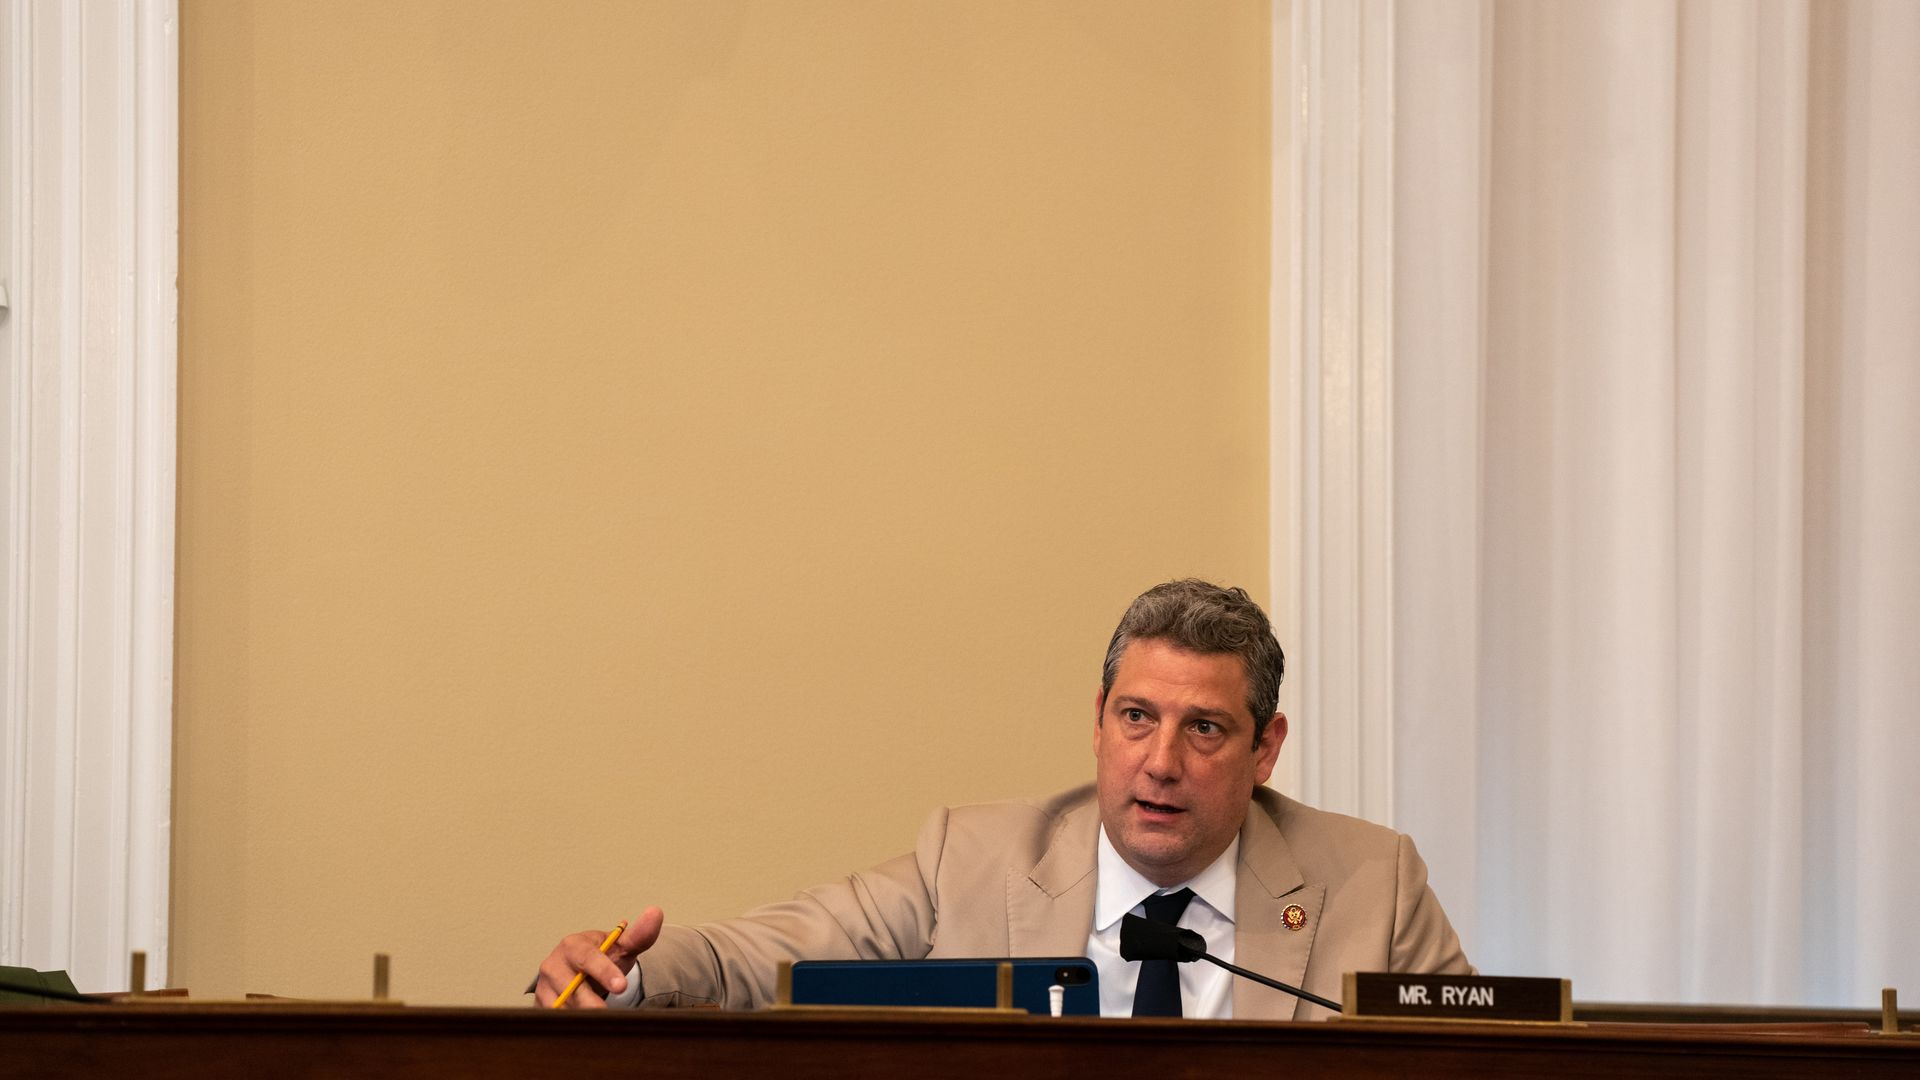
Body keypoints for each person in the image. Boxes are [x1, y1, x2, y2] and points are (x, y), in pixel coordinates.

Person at [533, 580, 1471, 1019]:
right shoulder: (977, 860)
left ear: (1266, 749)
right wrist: (632, 972)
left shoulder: (1370, 887)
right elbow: (773, 952)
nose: (1161, 762)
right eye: (1137, 717)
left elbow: (1495, 1061)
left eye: (1206, 729)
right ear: (1098, 721)